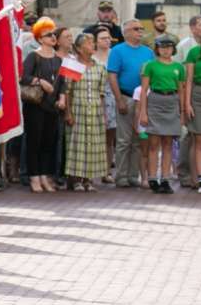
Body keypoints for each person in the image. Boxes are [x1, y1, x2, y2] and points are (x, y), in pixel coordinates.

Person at [107, 19, 155, 187]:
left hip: (144, 99)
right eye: (136, 29)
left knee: (138, 140)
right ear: (126, 32)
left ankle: (133, 176)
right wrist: (119, 99)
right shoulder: (117, 51)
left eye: (141, 28)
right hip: (126, 97)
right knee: (123, 140)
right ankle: (121, 176)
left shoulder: (148, 52)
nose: (140, 31)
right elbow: (112, 75)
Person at [20, 17, 65, 193]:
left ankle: (45, 175)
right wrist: (40, 82)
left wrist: (62, 99)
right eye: (48, 35)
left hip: (52, 106)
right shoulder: (34, 56)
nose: (53, 37)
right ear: (39, 38)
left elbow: (62, 82)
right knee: (34, 142)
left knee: (49, 142)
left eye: (54, 34)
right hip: (36, 105)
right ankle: (34, 177)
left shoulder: (58, 59)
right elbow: (23, 77)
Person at [138, 34, 187, 194]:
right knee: (153, 143)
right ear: (157, 49)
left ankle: (165, 179)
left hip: (172, 101)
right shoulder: (150, 65)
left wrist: (182, 112)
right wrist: (143, 113)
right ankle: (152, 177)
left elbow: (181, 90)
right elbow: (144, 90)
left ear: (173, 49)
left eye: (169, 47)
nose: (166, 50)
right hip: (155, 100)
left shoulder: (179, 67)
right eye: (162, 47)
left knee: (168, 144)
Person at [63, 32, 107, 191]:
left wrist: (103, 114)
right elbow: (67, 91)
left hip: (94, 109)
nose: (92, 46)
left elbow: (101, 93)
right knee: (76, 144)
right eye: (88, 43)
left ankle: (88, 179)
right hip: (78, 108)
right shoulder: (72, 64)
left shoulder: (100, 66)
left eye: (92, 42)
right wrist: (68, 112)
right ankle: (75, 180)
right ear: (80, 49)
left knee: (93, 145)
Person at [183, 25, 201, 192]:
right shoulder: (193, 52)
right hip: (198, 95)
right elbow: (189, 80)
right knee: (200, 139)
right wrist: (187, 103)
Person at [93, 25, 118, 182]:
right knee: (95, 138)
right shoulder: (91, 56)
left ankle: (107, 171)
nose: (107, 41)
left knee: (110, 139)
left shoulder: (115, 55)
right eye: (103, 38)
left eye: (108, 38)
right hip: (95, 98)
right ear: (95, 41)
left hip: (113, 97)